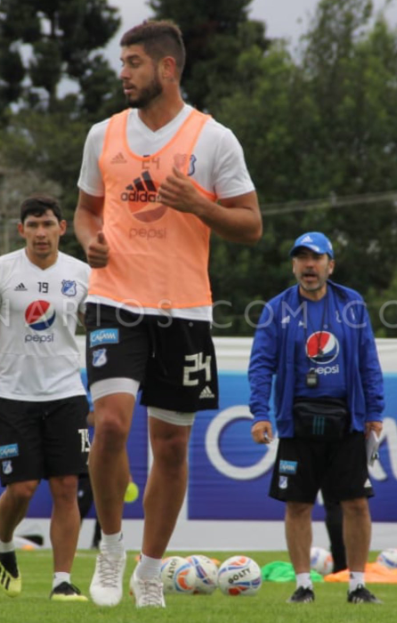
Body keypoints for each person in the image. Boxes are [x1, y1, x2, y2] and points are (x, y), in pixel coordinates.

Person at [73, 20, 261, 609]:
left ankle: (150, 572)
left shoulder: (214, 139)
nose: (122, 73)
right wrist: (90, 242)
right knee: (109, 424)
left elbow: (252, 226)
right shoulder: (102, 134)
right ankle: (109, 549)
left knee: (172, 448)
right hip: (114, 299)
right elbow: (85, 211)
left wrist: (198, 204)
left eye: (132, 62)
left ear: (167, 68)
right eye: (122, 62)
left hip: (185, 309)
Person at [248, 232, 385, 605]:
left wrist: (374, 412)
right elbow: (261, 365)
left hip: (347, 422)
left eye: (317, 257)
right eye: (302, 258)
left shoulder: (352, 304)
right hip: (296, 422)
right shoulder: (277, 309)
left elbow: (368, 361)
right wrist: (260, 412)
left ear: (330, 265)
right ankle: (304, 585)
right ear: (293, 265)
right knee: (298, 504)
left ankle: (357, 584)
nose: (309, 265)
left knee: (356, 503)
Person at [0, 195, 92, 602]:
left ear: (62, 228)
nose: (41, 233)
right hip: (14, 397)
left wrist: (103, 393)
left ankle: (61, 580)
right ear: (21, 230)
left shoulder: (82, 273)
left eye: (48, 224)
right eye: (33, 225)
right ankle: (3, 544)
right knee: (21, 489)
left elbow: (103, 335)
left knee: (66, 485)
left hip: (67, 395)